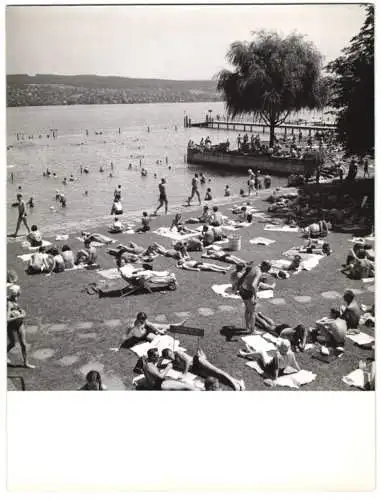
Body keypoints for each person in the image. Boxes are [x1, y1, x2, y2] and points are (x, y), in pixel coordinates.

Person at [160, 348, 244, 391]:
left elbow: (188, 361)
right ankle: (238, 382)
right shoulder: (173, 362)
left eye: (169, 353)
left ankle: (234, 384)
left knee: (216, 371)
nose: (170, 356)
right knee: (214, 376)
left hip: (197, 361)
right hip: (196, 369)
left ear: (171, 351)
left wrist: (184, 373)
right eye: (167, 356)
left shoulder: (178, 353)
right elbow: (162, 364)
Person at [232, 261, 273, 334]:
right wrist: (255, 296)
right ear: (264, 266)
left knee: (247, 310)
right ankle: (252, 330)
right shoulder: (259, 272)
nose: (268, 270)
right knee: (252, 312)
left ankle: (247, 328)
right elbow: (253, 285)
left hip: (242, 290)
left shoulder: (255, 267)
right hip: (248, 292)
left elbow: (243, 276)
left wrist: (237, 287)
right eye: (268, 268)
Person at [118, 313, 186, 349]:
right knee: (158, 339)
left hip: (147, 330)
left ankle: (177, 325)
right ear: (138, 319)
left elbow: (151, 326)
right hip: (144, 335)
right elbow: (125, 335)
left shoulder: (145, 322)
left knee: (161, 326)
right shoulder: (132, 325)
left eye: (144, 320)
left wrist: (159, 330)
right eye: (142, 320)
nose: (144, 321)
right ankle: (161, 332)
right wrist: (119, 347)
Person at [7, 285, 35, 368]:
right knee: (12, 344)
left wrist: (21, 311)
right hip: (11, 326)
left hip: (19, 324)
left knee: (23, 344)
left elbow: (17, 309)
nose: (21, 291)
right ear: (16, 293)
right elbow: (6, 319)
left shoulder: (14, 299)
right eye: (19, 290)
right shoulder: (9, 303)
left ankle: (26, 363)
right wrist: (18, 316)